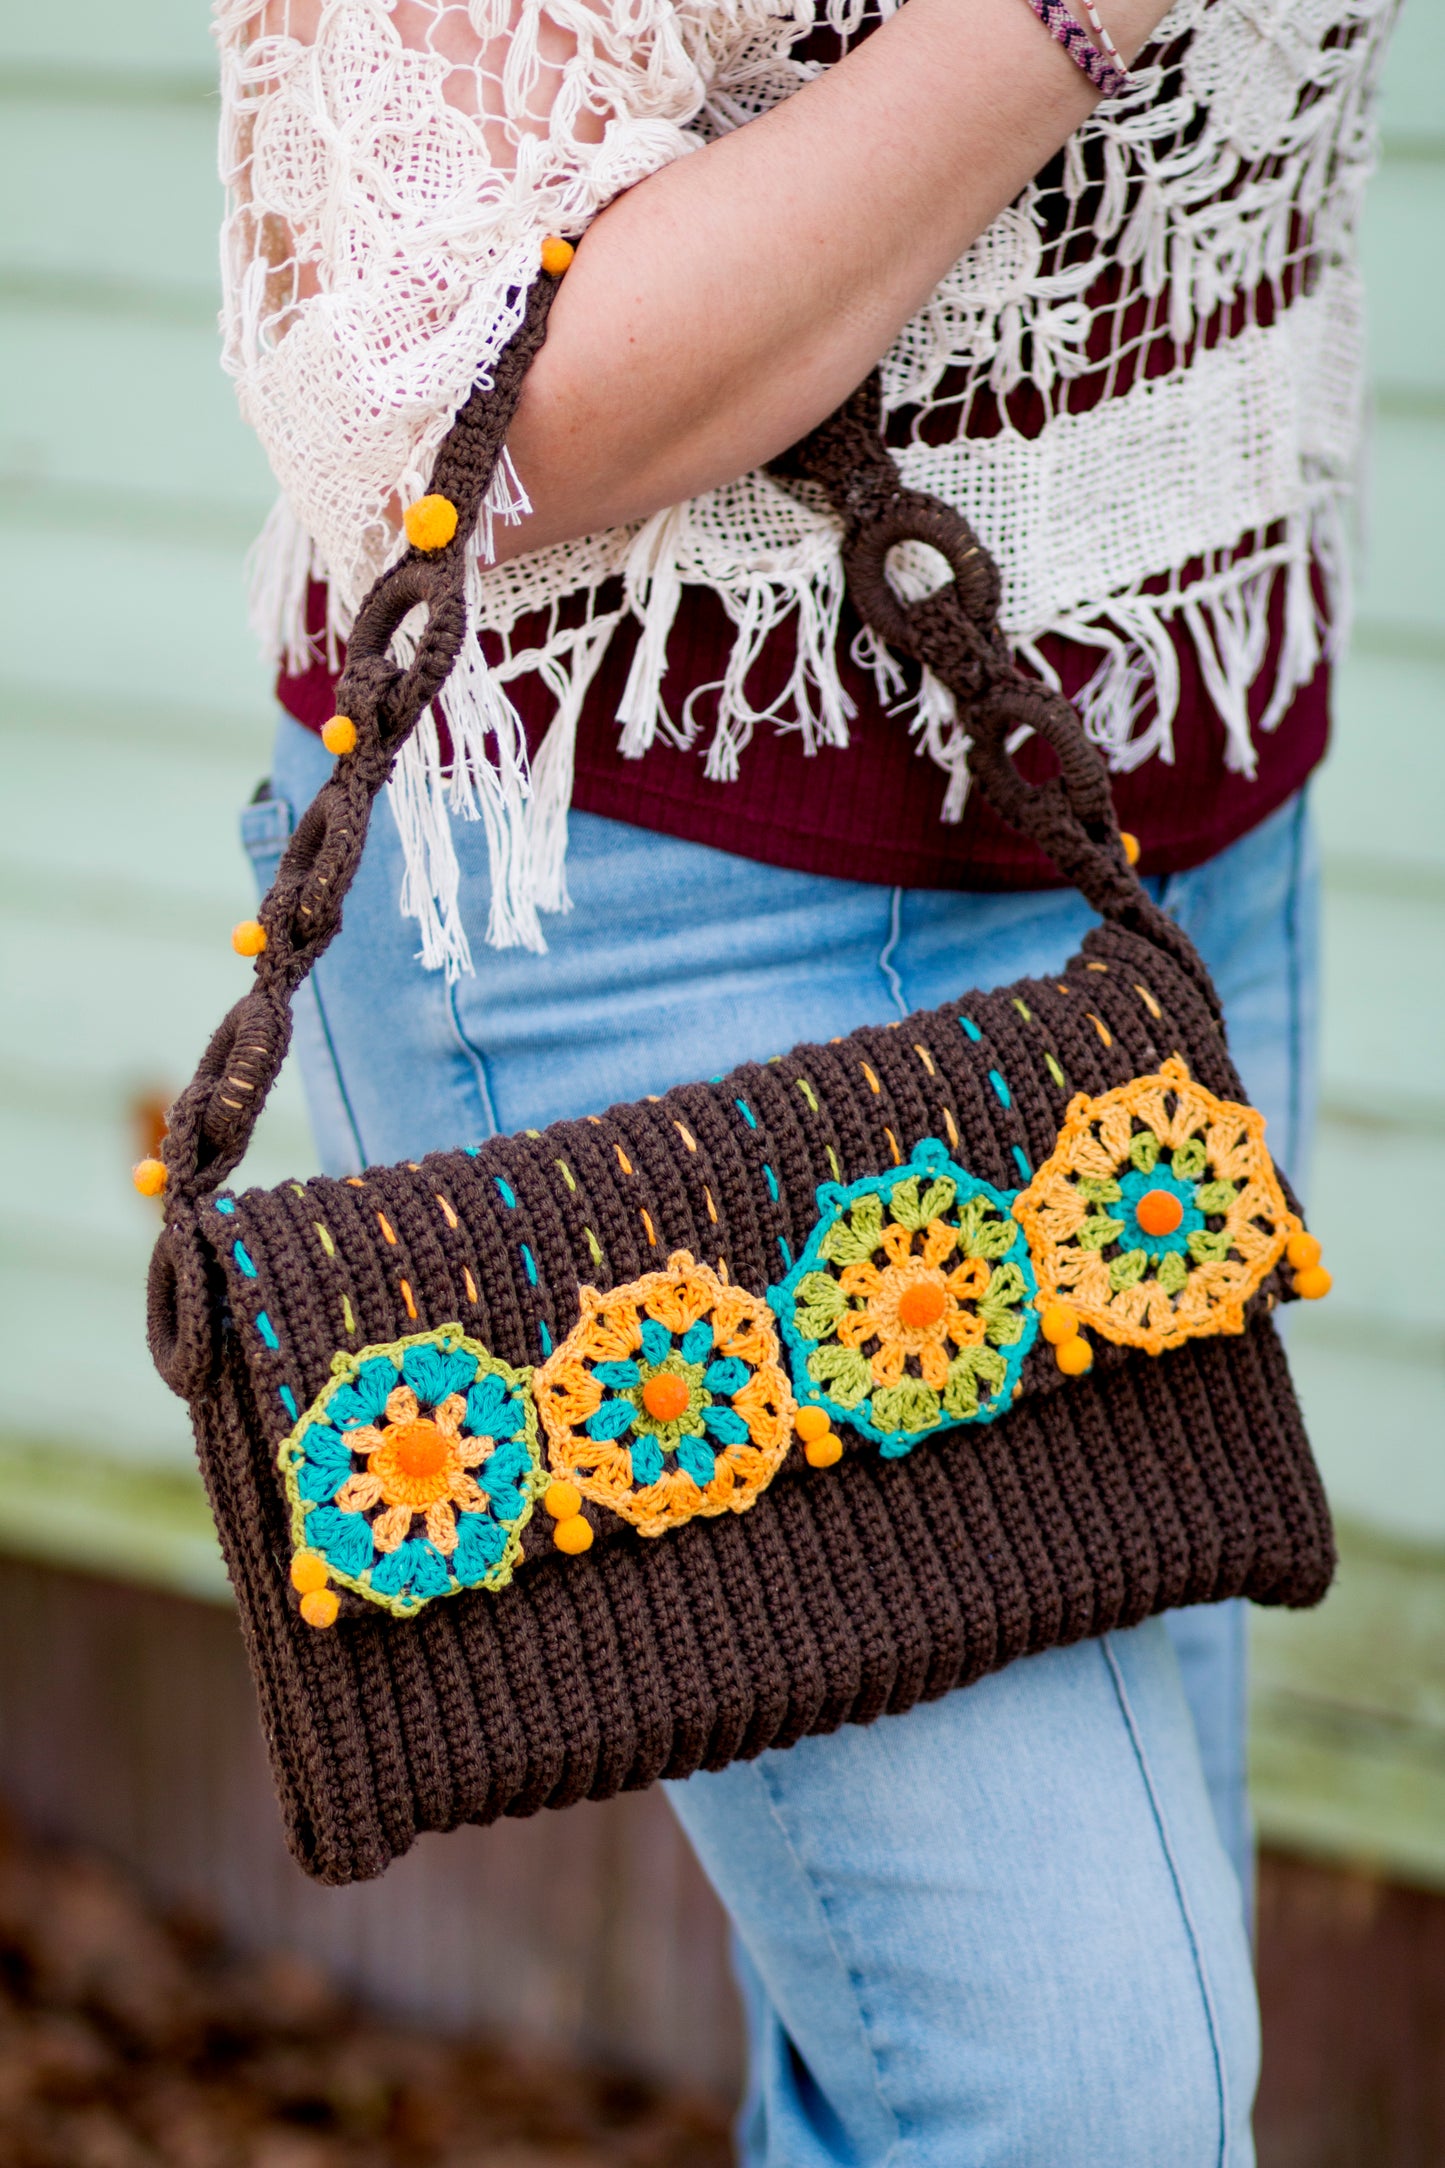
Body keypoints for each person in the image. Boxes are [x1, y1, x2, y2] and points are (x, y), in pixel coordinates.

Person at [223, 0, 1393, 2155]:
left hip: (1163, 842)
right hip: (666, 879)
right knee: (1085, 2100)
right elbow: (476, 385)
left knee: (1043, 2038)